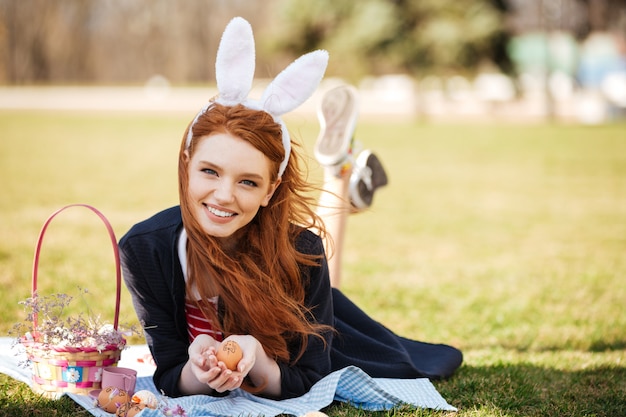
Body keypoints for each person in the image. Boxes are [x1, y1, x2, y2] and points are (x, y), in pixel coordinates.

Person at [119, 17, 462, 401]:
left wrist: (258, 360)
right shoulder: (143, 250)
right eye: (209, 171)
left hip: (313, 315)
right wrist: (198, 370)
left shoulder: (303, 251)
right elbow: (170, 374)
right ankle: (341, 173)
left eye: (248, 181)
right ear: (186, 162)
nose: (223, 195)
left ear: (270, 189)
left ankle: (338, 171)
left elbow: (309, 376)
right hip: (288, 273)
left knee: (316, 268)